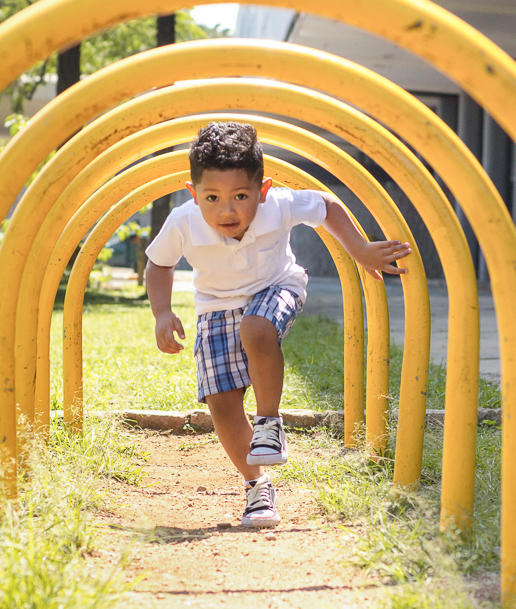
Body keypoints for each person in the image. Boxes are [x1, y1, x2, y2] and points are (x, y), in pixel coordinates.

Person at [144, 121, 412, 528]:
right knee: (221, 402)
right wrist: (162, 312)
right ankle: (257, 487)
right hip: (215, 307)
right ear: (192, 193)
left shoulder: (279, 205)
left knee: (256, 328)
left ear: (263, 190)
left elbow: (326, 206)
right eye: (212, 197)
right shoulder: (183, 221)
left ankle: (269, 422)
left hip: (277, 287)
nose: (227, 210)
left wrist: (359, 250)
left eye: (241, 196)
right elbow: (159, 263)